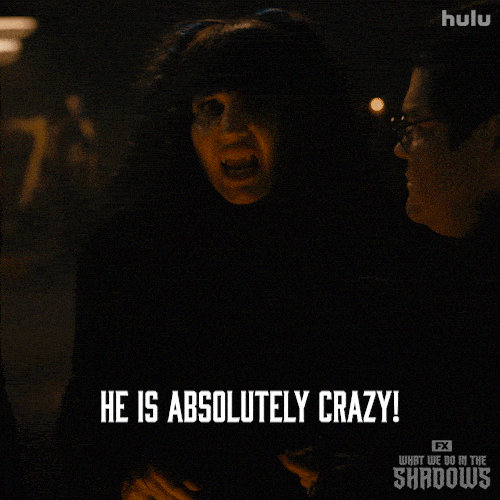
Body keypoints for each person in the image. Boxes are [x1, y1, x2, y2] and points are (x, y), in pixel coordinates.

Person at [56, 9, 385, 500]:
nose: (231, 127)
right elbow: (89, 413)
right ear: (180, 128)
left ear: (305, 116)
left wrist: (358, 464)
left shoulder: (365, 243)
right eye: (209, 106)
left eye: (255, 101)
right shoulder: (129, 254)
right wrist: (127, 473)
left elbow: (409, 404)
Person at [281, 2, 500, 498]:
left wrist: (363, 481)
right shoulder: (452, 278)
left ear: (493, 140)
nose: (399, 148)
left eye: (417, 127)